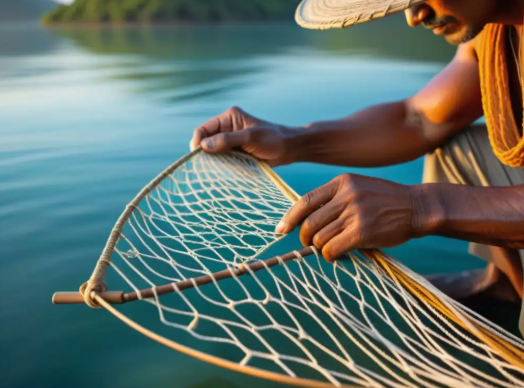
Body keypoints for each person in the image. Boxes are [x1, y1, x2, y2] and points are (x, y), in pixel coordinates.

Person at [190, 0, 524, 332]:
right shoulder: (493, 34)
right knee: (458, 143)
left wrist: (419, 207)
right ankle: (511, 281)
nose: (413, 17)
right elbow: (419, 119)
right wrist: (291, 139)